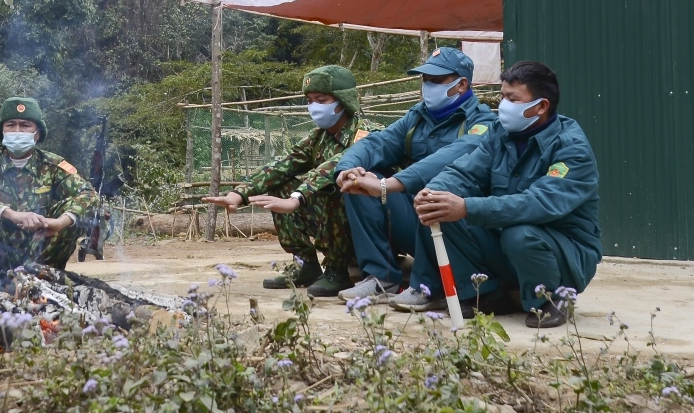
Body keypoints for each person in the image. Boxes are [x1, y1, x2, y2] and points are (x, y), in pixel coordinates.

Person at [394, 61, 601, 328]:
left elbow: (537, 203)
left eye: (512, 98)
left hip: (565, 252)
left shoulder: (571, 148)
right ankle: (487, 295)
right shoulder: (501, 134)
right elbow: (467, 171)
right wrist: (434, 191)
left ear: (541, 106)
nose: (503, 104)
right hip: (507, 240)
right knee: (443, 210)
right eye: (502, 95)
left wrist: (467, 207)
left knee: (520, 234)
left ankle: (550, 298)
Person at [334, 48, 496, 303]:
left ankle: (428, 286)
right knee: (359, 184)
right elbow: (378, 143)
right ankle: (381, 278)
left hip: (460, 230)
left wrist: (388, 185)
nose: (427, 87)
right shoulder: (417, 117)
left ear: (461, 84)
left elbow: (449, 159)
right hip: (415, 223)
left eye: (436, 81)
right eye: (425, 80)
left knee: (435, 197)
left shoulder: (483, 123)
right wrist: (348, 168)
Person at [202, 65, 362, 298]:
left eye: (321, 99)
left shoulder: (365, 133)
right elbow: (281, 165)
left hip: (368, 229)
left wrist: (297, 197)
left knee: (336, 187)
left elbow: (338, 165)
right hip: (332, 225)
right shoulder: (319, 138)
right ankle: (305, 264)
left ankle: (337, 271)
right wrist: (238, 194)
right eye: (309, 100)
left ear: (343, 100)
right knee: (278, 184)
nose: (314, 107)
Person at [0, 97, 98, 286]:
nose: (17, 131)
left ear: (37, 133)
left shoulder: (52, 165)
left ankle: (41, 281)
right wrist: (10, 214)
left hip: (39, 257)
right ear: (2, 130)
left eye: (25, 125)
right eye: (11, 125)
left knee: (74, 213)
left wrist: (59, 223)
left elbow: (89, 194)